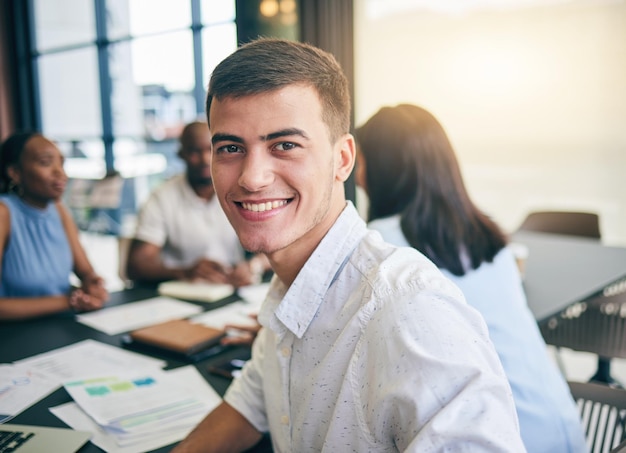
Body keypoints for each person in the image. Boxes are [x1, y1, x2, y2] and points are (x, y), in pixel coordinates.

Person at [173, 38, 525, 452]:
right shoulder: (289, 295)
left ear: (342, 160)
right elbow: (247, 407)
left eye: (285, 145)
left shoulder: (407, 310)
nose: (252, 177)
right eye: (230, 148)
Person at [354, 103, 587, 453]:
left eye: (360, 158)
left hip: (498, 436)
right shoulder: (485, 233)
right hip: (561, 425)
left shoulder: (381, 244)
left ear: (379, 169)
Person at [126, 121, 268, 287]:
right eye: (194, 151)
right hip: (183, 294)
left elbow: (278, 247)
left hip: (233, 288)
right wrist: (186, 272)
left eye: (211, 150)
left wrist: (252, 267)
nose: (205, 159)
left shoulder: (242, 190)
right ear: (181, 154)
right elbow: (136, 265)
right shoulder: (162, 197)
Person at [0, 132, 109, 320]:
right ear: (15, 173)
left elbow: (86, 272)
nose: (60, 173)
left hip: (60, 325)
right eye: (46, 163)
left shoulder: (59, 209)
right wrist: (70, 301)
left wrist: (92, 285)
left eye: (61, 163)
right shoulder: (4, 213)